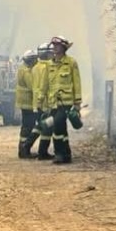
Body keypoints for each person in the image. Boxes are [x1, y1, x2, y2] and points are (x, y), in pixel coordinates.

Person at [37, 34, 82, 165]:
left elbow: (77, 83)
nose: (55, 48)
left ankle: (59, 154)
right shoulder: (49, 65)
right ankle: (67, 154)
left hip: (66, 102)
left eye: (57, 45)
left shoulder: (71, 63)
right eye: (54, 45)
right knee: (61, 128)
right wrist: (40, 101)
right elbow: (44, 85)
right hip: (53, 103)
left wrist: (77, 103)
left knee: (57, 125)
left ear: (63, 48)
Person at [15, 48, 42, 159]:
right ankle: (24, 150)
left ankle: (23, 149)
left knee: (27, 126)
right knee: (28, 126)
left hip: (25, 102)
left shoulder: (23, 68)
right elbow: (33, 86)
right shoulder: (27, 71)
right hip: (28, 103)